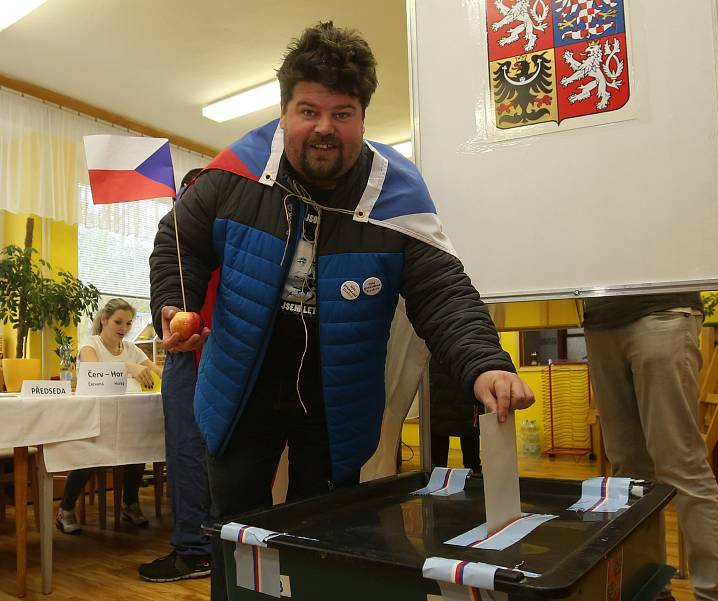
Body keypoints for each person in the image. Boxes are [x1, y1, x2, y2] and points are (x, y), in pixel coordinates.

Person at [150, 22, 533, 599]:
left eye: (343, 113)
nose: (324, 128)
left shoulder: (397, 193)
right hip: (239, 391)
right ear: (284, 112)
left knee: (326, 536)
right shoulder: (235, 173)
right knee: (237, 536)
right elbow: (179, 241)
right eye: (308, 110)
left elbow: (443, 292)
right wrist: (173, 304)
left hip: (337, 399)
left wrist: (486, 363)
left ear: (362, 118)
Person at [583, 293, 718, 601]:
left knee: (681, 465)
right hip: (600, 317)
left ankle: (716, 595)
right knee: (629, 476)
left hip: (663, 307)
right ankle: (652, 588)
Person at [138, 168, 213, 582]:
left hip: (195, 349)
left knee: (187, 448)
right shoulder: (237, 212)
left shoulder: (190, 223)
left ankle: (195, 550)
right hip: (219, 342)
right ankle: (215, 544)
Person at [55, 298, 163, 534]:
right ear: (104, 319)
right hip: (92, 418)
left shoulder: (131, 349)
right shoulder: (90, 344)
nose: (123, 328)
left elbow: (158, 371)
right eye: (118, 322)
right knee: (88, 455)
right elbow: (93, 370)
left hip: (124, 417)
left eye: (128, 323)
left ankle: (130, 504)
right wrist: (128, 367)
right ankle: (65, 508)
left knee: (138, 449)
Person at [429, 358, 482, 473]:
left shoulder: (435, 345)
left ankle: (436, 480)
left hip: (439, 395)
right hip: (465, 392)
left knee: (438, 459)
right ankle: (474, 477)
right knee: (470, 447)